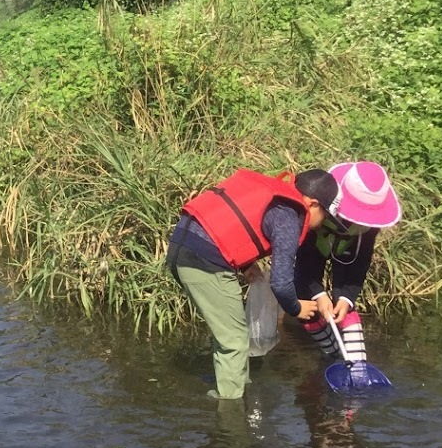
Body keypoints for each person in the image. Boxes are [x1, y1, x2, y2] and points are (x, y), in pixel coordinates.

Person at [166, 168, 339, 400]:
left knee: (230, 334)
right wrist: (296, 308)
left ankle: (235, 387)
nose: (322, 222)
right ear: (313, 203)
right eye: (326, 215)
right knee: (235, 342)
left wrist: (246, 263)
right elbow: (280, 282)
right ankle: (231, 414)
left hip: (181, 248)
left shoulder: (274, 195)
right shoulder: (290, 216)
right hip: (203, 261)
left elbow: (228, 223)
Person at [296, 161, 402, 370]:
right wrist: (318, 294)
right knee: (304, 297)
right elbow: (305, 262)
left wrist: (346, 298)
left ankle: (356, 366)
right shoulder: (317, 214)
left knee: (342, 303)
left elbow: (360, 263)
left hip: (348, 251)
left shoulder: (367, 230)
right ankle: (331, 350)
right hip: (316, 245)